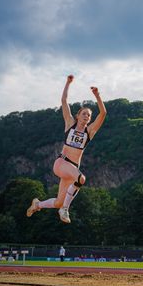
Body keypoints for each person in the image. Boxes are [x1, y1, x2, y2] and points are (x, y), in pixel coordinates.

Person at [26, 74, 107, 223]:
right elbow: (64, 101)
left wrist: (97, 95)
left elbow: (103, 113)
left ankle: (38, 204)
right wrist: (68, 83)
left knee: (58, 202)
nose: (86, 117)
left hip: (72, 170)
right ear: (77, 116)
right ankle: (65, 210)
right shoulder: (70, 124)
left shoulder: (90, 132)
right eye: (84, 114)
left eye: (89, 115)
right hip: (62, 163)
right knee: (81, 179)